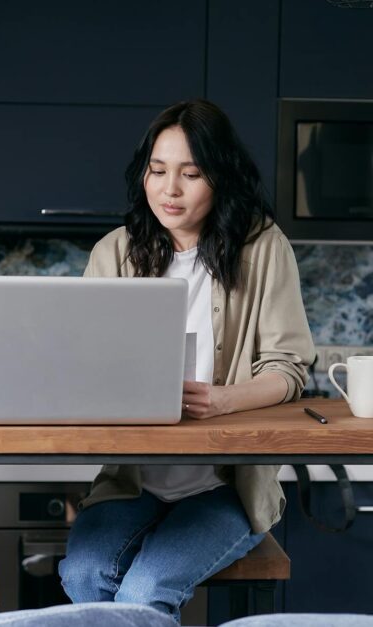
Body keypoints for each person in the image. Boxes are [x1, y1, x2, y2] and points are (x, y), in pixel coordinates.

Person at [58, 99, 315, 622]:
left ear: (220, 177)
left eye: (191, 174)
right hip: (132, 481)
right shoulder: (114, 252)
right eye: (157, 171)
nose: (169, 189)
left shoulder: (264, 247)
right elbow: (82, 365)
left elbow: (288, 369)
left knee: (143, 592)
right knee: (84, 574)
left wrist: (223, 400)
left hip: (226, 487)